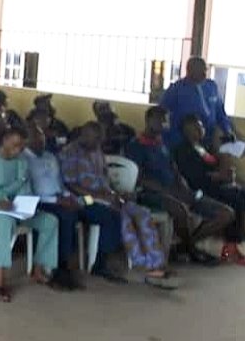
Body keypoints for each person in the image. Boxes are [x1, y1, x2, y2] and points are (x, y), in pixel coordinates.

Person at [61, 122, 180, 288]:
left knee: (141, 212)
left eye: (100, 139)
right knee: (116, 216)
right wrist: (99, 196)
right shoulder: (70, 153)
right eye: (96, 139)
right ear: (84, 134)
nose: (98, 143)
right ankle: (104, 264)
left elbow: (104, 180)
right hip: (82, 200)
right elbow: (70, 184)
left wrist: (114, 193)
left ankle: (156, 261)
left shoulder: (97, 151)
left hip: (105, 196)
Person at [125, 106, 234, 266]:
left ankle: (184, 247)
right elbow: (138, 178)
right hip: (149, 193)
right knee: (180, 209)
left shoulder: (161, 143)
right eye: (160, 119)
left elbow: (173, 169)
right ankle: (192, 250)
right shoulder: (136, 145)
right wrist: (166, 190)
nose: (164, 123)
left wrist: (182, 185)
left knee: (226, 213)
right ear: (148, 120)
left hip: (176, 189)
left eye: (166, 120)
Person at [0, 128, 59, 302]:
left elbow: (25, 189)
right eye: (15, 145)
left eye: (22, 147)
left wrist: (26, 207)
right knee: (5, 222)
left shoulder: (21, 162)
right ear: (5, 140)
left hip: (12, 208)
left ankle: (38, 268)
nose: (18, 150)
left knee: (49, 221)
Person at [24, 119, 122, 289]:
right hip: (43, 203)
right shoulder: (23, 160)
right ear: (26, 140)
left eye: (42, 137)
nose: (41, 141)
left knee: (105, 210)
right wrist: (59, 200)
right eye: (36, 138)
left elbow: (62, 183)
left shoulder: (50, 157)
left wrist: (69, 198)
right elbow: (29, 193)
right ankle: (61, 269)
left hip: (69, 198)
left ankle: (100, 262)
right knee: (69, 216)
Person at [172, 115, 245, 263]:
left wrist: (227, 174)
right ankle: (228, 246)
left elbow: (214, 165)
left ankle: (234, 245)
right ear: (187, 131)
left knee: (241, 193)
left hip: (215, 186)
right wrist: (217, 176)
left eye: (202, 127)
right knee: (237, 199)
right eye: (197, 127)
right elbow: (193, 178)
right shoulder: (182, 150)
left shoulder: (202, 147)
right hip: (199, 190)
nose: (201, 130)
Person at [161, 56, 235, 148]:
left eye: (205, 70)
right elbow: (162, 114)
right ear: (189, 70)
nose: (204, 73)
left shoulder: (211, 86)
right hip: (184, 140)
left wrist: (227, 130)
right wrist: (171, 139)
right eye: (200, 70)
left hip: (209, 139)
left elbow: (220, 112)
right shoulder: (176, 90)